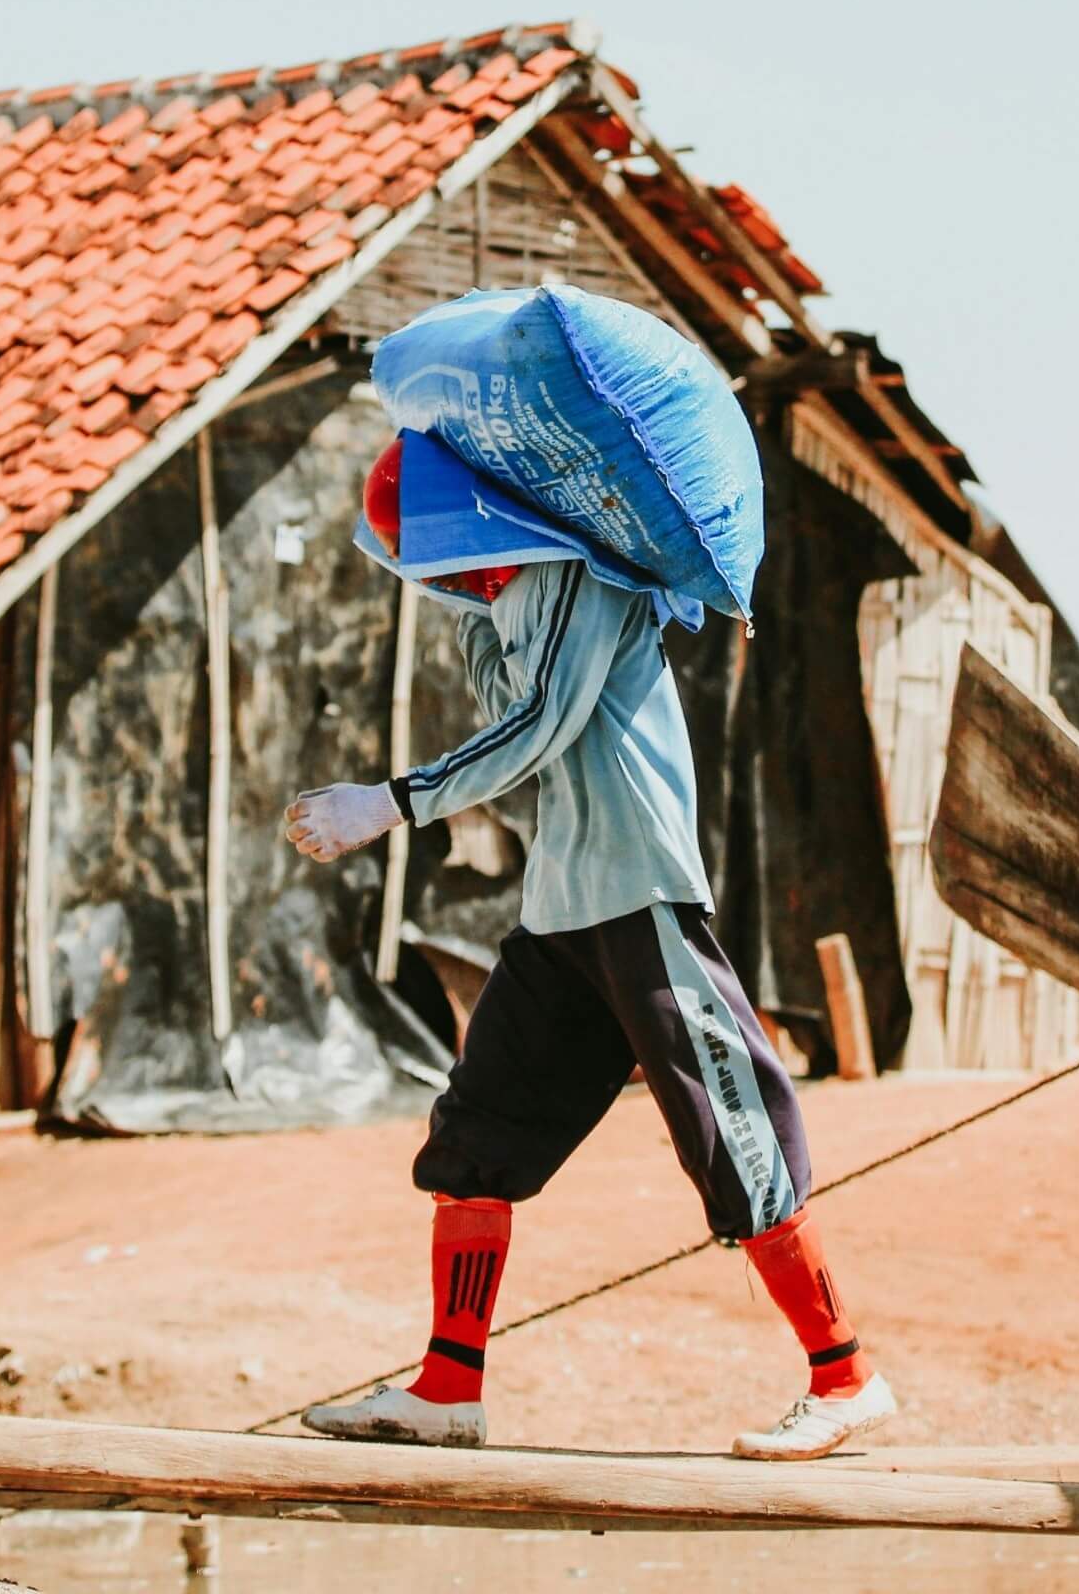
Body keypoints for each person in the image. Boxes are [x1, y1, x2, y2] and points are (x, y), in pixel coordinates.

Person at [282, 437, 894, 1460]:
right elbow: (503, 706)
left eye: (423, 551)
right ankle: (447, 1385)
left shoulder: (583, 575)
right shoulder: (507, 594)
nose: (422, 572)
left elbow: (536, 725)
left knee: (732, 1137)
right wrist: (472, 609)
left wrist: (388, 803)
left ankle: (845, 1377)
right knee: (477, 1137)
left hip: (639, 890)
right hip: (561, 905)